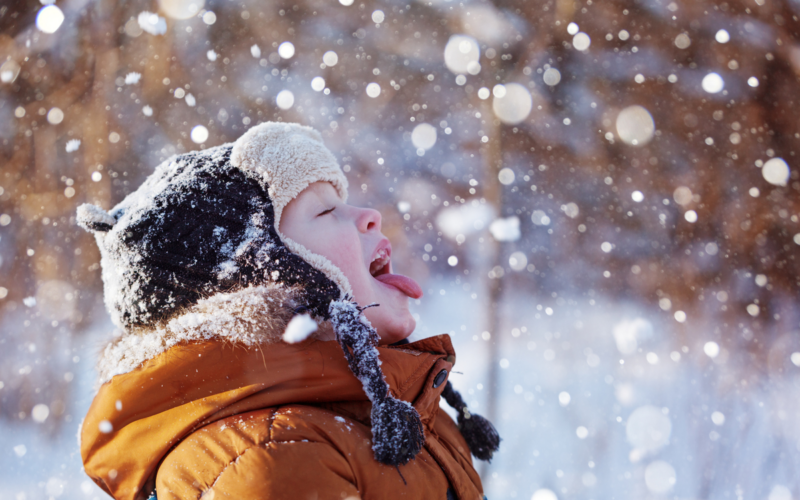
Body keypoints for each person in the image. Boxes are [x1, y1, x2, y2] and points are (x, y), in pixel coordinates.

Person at [76, 122, 499, 500]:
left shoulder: (382, 410)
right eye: (325, 210)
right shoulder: (270, 459)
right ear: (259, 282)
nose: (371, 216)